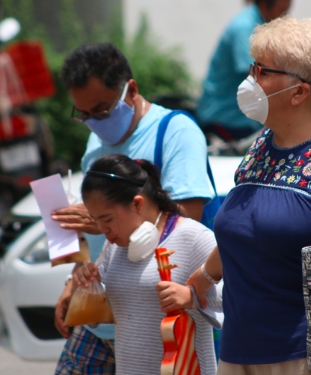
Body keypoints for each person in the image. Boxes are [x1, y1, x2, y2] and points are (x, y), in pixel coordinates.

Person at [187, 17, 311, 375]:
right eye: (252, 68)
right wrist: (204, 276)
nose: (250, 81)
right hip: (238, 349)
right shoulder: (264, 142)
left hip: (303, 354)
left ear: (299, 92)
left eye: (262, 71)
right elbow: (247, 229)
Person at [52, 43, 215, 374]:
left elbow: (188, 216)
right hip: (99, 316)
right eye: (83, 114)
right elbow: (95, 229)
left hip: (156, 321)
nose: (94, 122)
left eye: (101, 110)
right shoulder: (95, 142)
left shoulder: (176, 132)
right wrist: (74, 281)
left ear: (131, 90)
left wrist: (102, 223)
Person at [73, 154, 222, 375]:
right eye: (95, 220)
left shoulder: (193, 237)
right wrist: (88, 287)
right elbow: (96, 316)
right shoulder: (115, 245)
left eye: (107, 219)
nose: (102, 230)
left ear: (137, 203)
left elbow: (237, 297)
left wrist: (192, 296)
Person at [197, 0, 291, 143]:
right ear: (264, 5)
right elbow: (259, 78)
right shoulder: (245, 28)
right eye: (283, 11)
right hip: (224, 120)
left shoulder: (257, 24)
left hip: (239, 118)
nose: (285, 18)